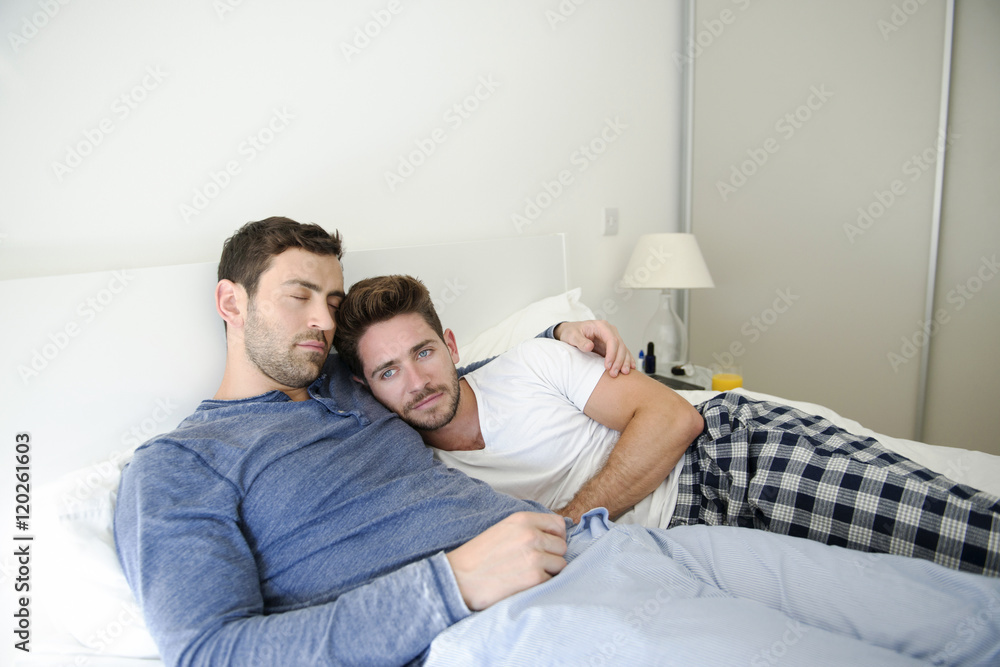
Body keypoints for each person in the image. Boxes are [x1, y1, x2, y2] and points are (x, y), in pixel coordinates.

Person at [114, 217, 1000, 666]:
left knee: (941, 608)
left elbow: (437, 377)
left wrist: (557, 335)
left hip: (630, 545)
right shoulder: (180, 466)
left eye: (332, 301)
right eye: (299, 296)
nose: (321, 319)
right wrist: (449, 583)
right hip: (509, 621)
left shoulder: (354, 387)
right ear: (231, 302)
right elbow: (212, 651)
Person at [333, 274, 1000, 577]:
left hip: (729, 459)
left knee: (954, 530)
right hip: (689, 542)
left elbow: (673, 415)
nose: (417, 381)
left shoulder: (532, 361)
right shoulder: (422, 477)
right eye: (389, 370)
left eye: (424, 352)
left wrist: (570, 520)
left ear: (451, 344)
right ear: (366, 388)